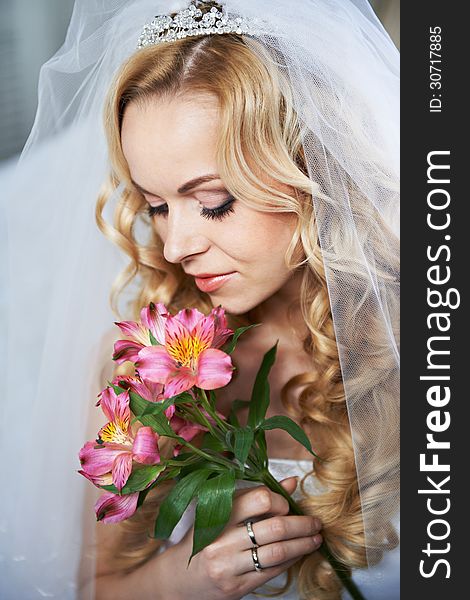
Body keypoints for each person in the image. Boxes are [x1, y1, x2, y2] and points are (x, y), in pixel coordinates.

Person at [0, 1, 399, 599]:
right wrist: (188, 579)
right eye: (156, 205)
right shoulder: (142, 371)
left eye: (213, 200)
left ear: (312, 166)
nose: (177, 244)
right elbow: (93, 587)